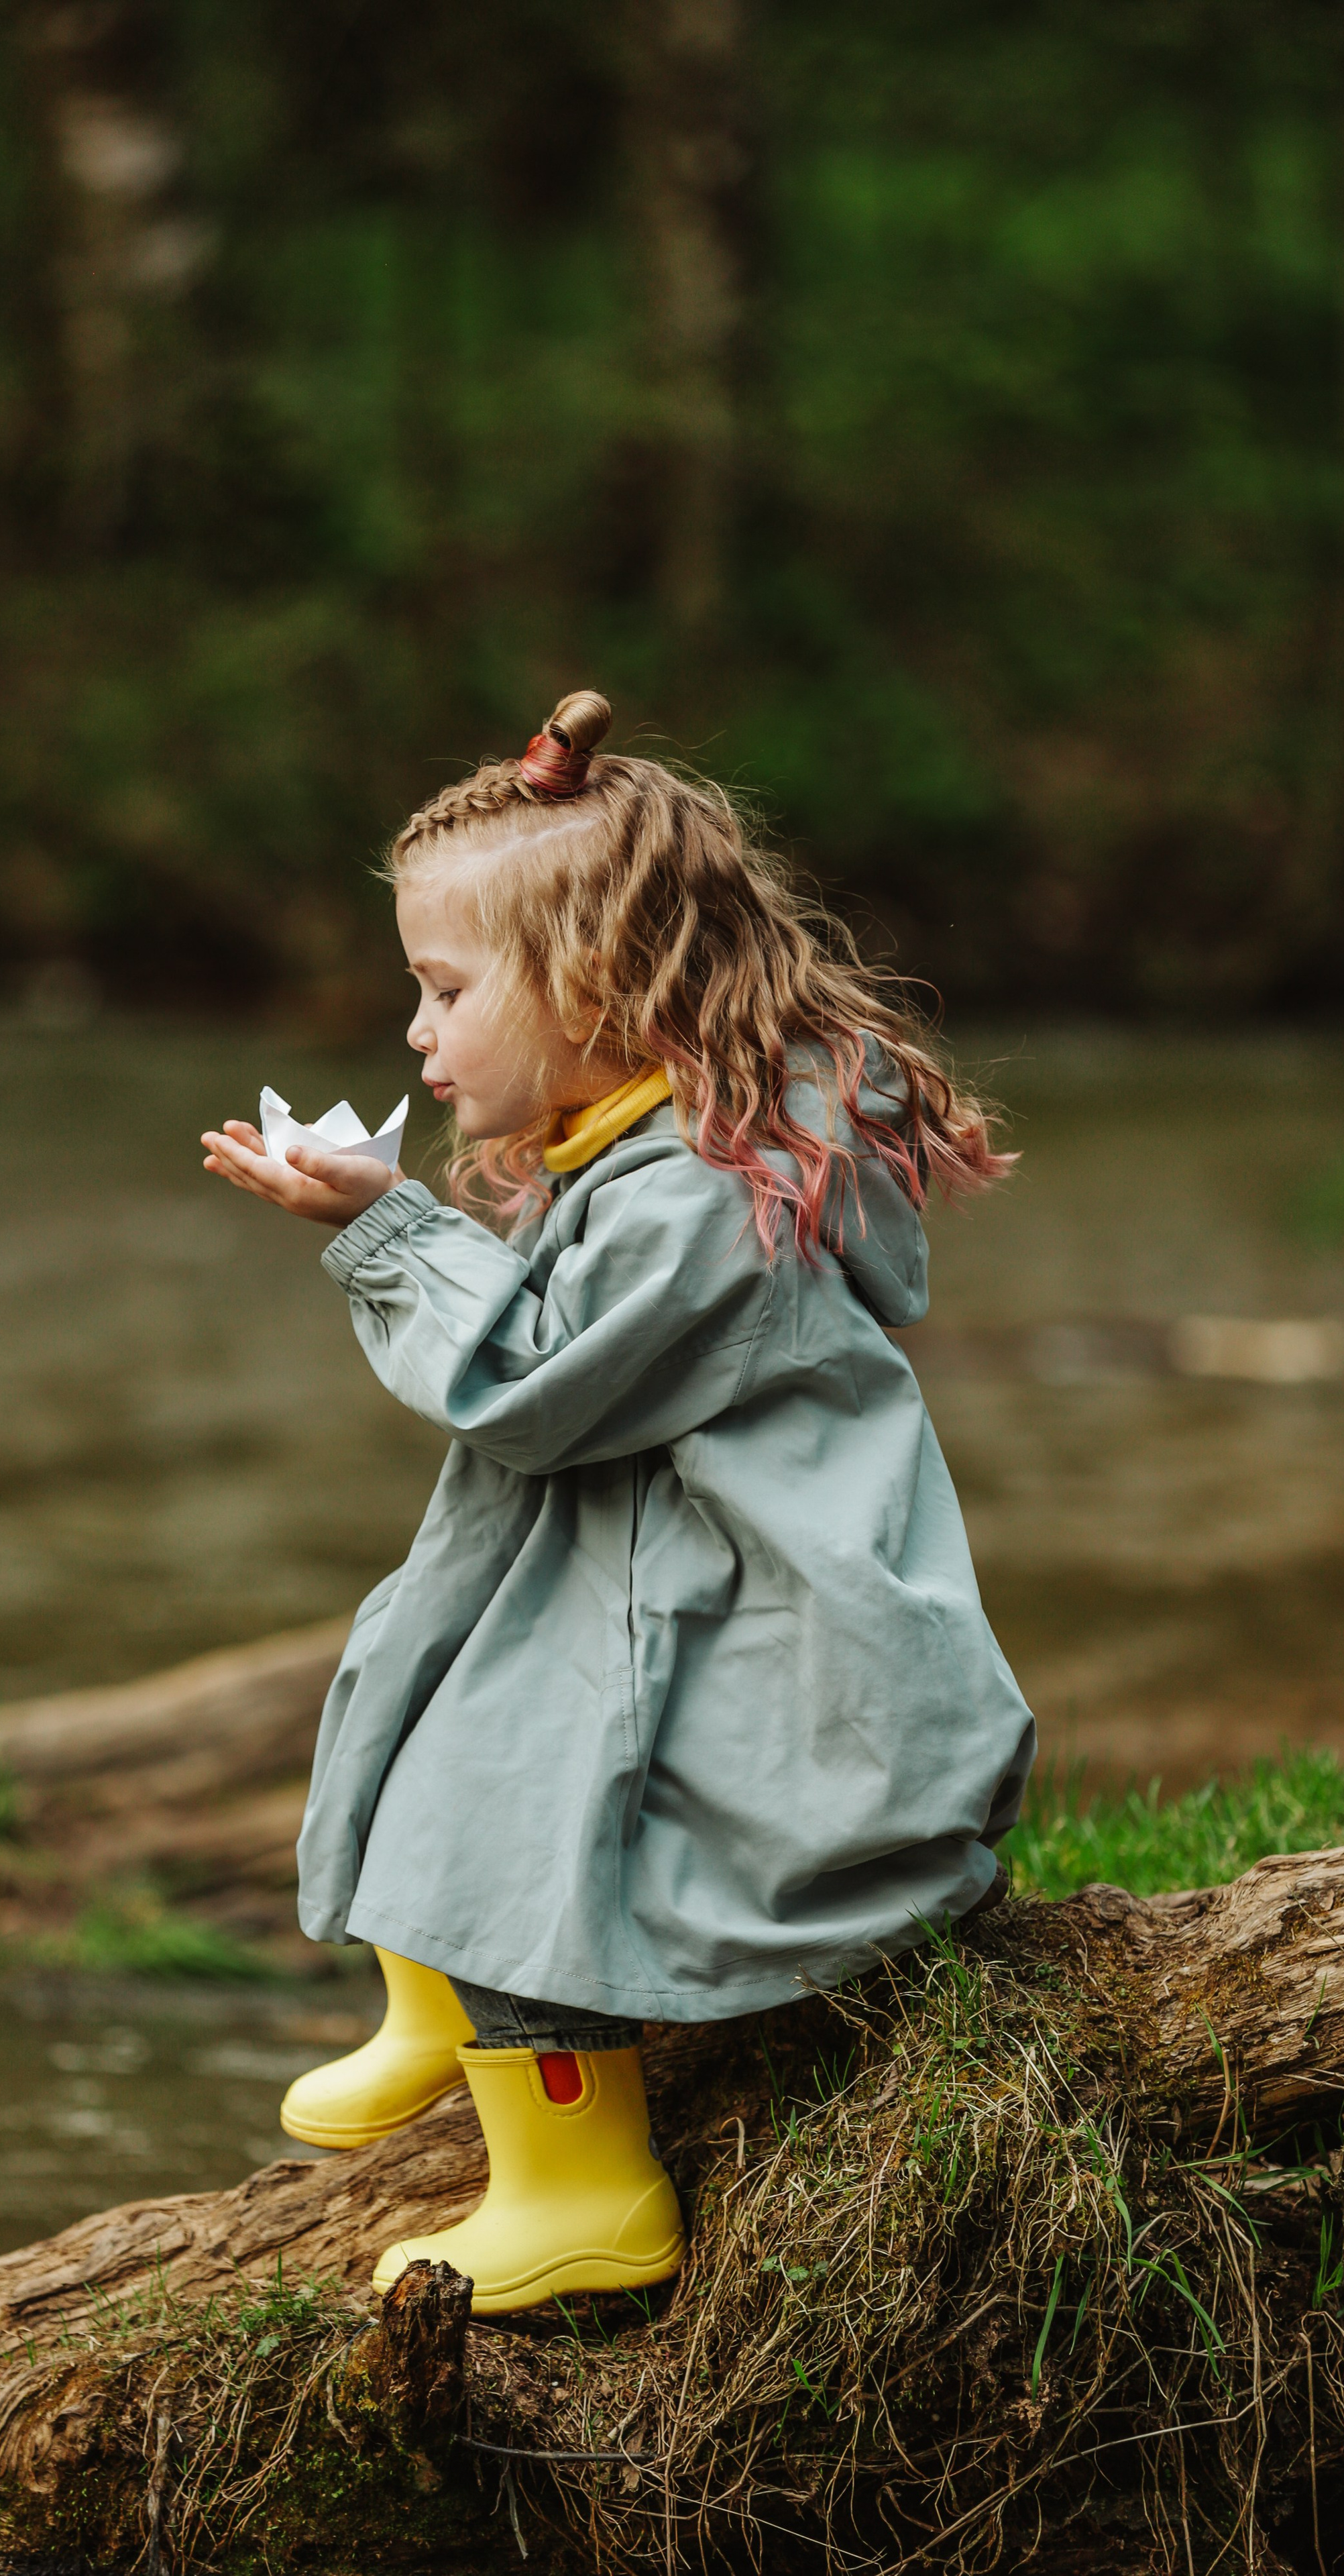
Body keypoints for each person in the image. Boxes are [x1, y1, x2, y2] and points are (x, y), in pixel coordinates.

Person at [201, 690, 1035, 2315]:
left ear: (595, 986)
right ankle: (444, 2015)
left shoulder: (707, 1204)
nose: (417, 1036)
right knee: (428, 1688)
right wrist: (384, 1214)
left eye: (443, 992)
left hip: (759, 1620)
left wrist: (383, 1235)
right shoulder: (648, 1142)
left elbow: (529, 1388)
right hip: (647, 1556)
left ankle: (580, 2192)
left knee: (523, 1801)